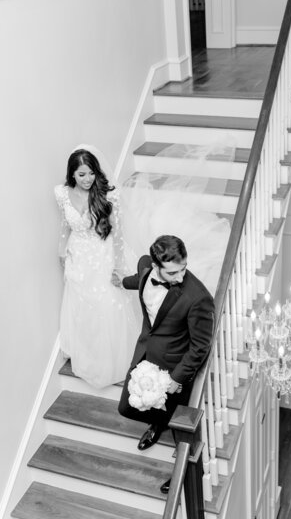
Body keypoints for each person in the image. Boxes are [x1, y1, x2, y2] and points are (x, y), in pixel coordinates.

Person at [115, 235, 214, 493]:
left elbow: (201, 346)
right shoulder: (146, 267)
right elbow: (141, 281)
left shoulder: (198, 297)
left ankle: (185, 472)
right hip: (146, 355)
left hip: (174, 369)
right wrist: (122, 281)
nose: (181, 277)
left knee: (180, 426)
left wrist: (177, 379)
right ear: (157, 265)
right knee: (126, 407)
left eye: (183, 269)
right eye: (173, 272)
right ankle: (158, 422)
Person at [54, 147, 139, 389]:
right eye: (81, 174)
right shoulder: (62, 194)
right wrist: (61, 250)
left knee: (105, 305)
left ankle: (110, 360)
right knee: (82, 307)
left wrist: (117, 265)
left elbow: (118, 233)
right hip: (77, 255)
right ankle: (87, 353)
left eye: (91, 173)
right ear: (72, 174)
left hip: (102, 253)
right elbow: (65, 225)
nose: (88, 179)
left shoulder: (108, 195)